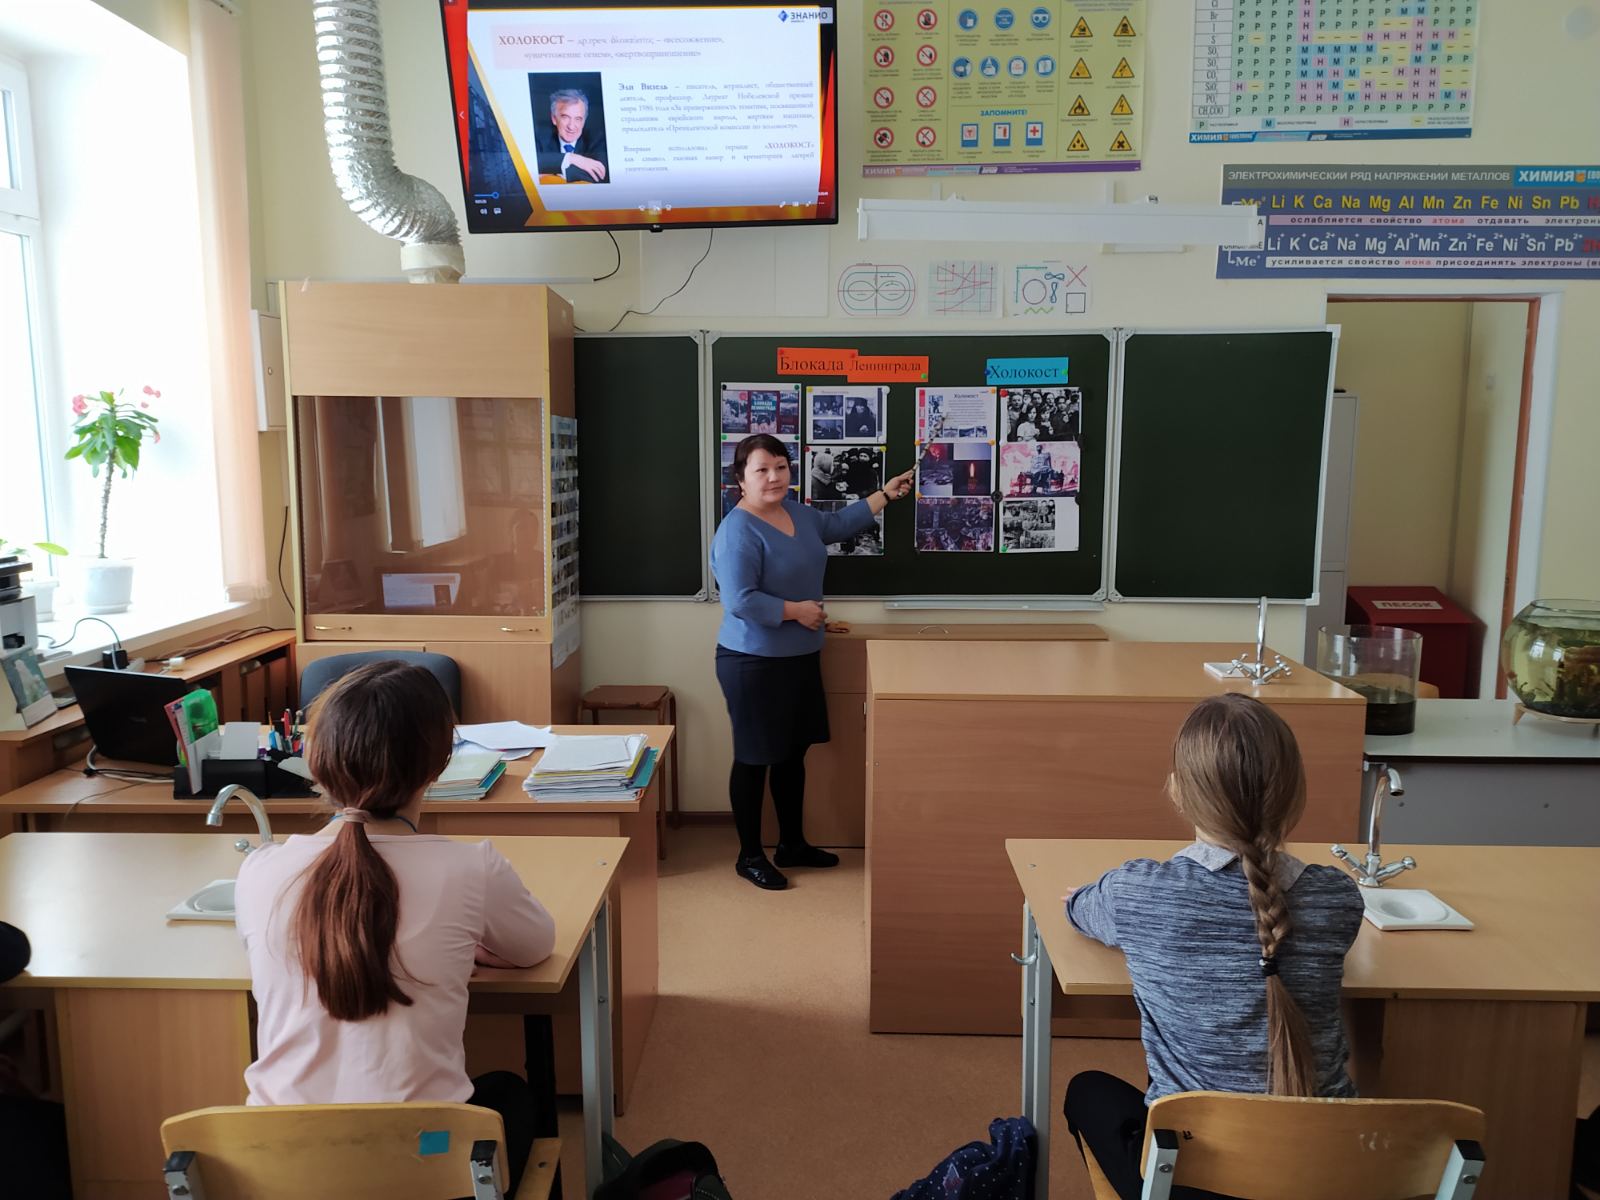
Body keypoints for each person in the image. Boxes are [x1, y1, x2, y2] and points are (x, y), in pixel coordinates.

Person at [234, 662, 557, 1192]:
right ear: (438, 765)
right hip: (425, 1167)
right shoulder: (470, 868)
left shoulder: (260, 870)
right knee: (511, 1094)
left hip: (280, 1168)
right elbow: (536, 945)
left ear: (317, 762)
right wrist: (470, 949)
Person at [1060, 693, 1364, 1200]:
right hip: (1326, 1174)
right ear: (1295, 796)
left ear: (1178, 792)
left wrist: (1088, 897)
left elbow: (1078, 909)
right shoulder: (1338, 897)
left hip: (1192, 1179)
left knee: (1087, 1090)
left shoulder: (1139, 892)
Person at [711, 433, 914, 890]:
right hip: (753, 661)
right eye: (762, 470)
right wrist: (796, 611)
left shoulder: (797, 513)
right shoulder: (737, 531)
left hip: (799, 656)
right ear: (740, 479)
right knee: (754, 758)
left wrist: (885, 494)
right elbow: (739, 600)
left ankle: (792, 844)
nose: (774, 477)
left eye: (781, 467)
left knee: (791, 754)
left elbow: (838, 524)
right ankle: (749, 855)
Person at [534, 87, 608, 183]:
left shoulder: (597, 139)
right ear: (554, 119)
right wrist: (570, 158)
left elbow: (599, 173)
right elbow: (530, 164)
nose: (571, 126)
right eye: (565, 117)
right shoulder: (540, 137)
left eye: (578, 119)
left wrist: (549, 173)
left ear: (584, 121)